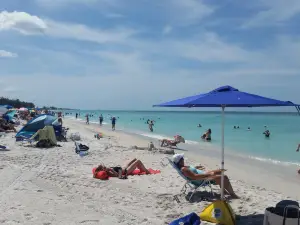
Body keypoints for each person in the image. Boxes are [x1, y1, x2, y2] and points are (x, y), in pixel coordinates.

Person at [172, 153, 239, 199]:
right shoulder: (184, 169)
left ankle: (223, 191)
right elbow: (194, 176)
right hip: (202, 179)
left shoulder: (183, 167)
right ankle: (232, 194)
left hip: (204, 175)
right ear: (180, 161)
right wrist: (209, 174)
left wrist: (196, 167)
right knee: (224, 177)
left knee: (220, 171)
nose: (183, 159)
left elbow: (192, 171)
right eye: (182, 158)